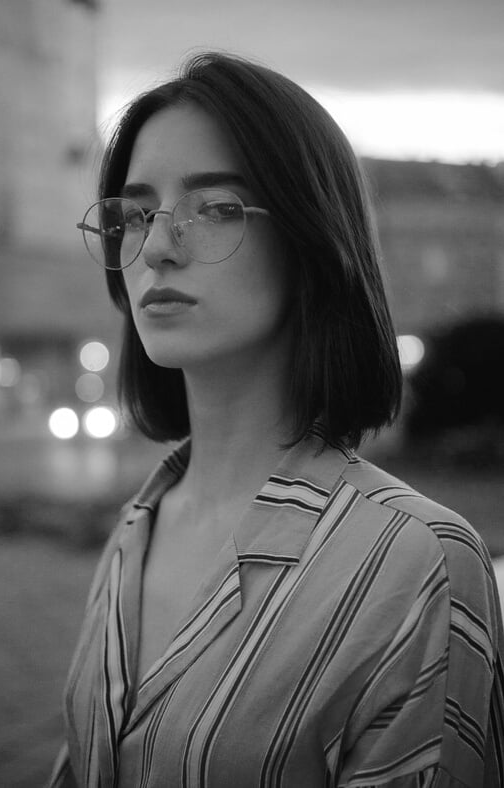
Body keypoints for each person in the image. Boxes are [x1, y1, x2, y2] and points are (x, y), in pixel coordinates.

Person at [48, 52, 504, 787]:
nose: (157, 247)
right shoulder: (138, 527)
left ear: (312, 240)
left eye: (217, 208)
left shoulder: (417, 562)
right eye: (133, 215)